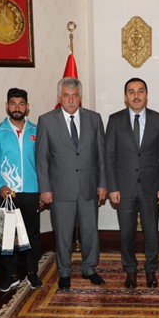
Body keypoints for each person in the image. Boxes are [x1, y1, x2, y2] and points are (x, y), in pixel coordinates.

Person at [36, 77, 107, 291]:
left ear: (80, 97)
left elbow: (101, 155)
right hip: (60, 190)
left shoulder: (94, 119)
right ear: (59, 97)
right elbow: (41, 159)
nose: (70, 100)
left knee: (90, 232)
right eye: (66, 95)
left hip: (88, 187)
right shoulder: (46, 121)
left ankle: (89, 268)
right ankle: (64, 272)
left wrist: (103, 183)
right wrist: (45, 189)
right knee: (63, 234)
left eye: (75, 95)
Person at [106, 78, 159, 289]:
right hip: (123, 189)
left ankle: (151, 270)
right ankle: (130, 270)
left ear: (146, 95)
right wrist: (112, 187)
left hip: (151, 188)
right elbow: (109, 157)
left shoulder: (158, 120)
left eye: (140, 91)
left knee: (151, 232)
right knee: (126, 233)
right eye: (131, 92)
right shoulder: (114, 120)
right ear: (125, 97)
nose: (136, 96)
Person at [0, 88, 43, 291]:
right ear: (6, 106)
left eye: (21, 104)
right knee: (7, 236)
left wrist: (43, 189)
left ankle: (32, 272)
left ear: (27, 107)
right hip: (7, 193)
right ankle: (11, 275)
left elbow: (43, 162)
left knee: (32, 235)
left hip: (31, 191)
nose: (17, 107)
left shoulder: (36, 131)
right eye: (13, 103)